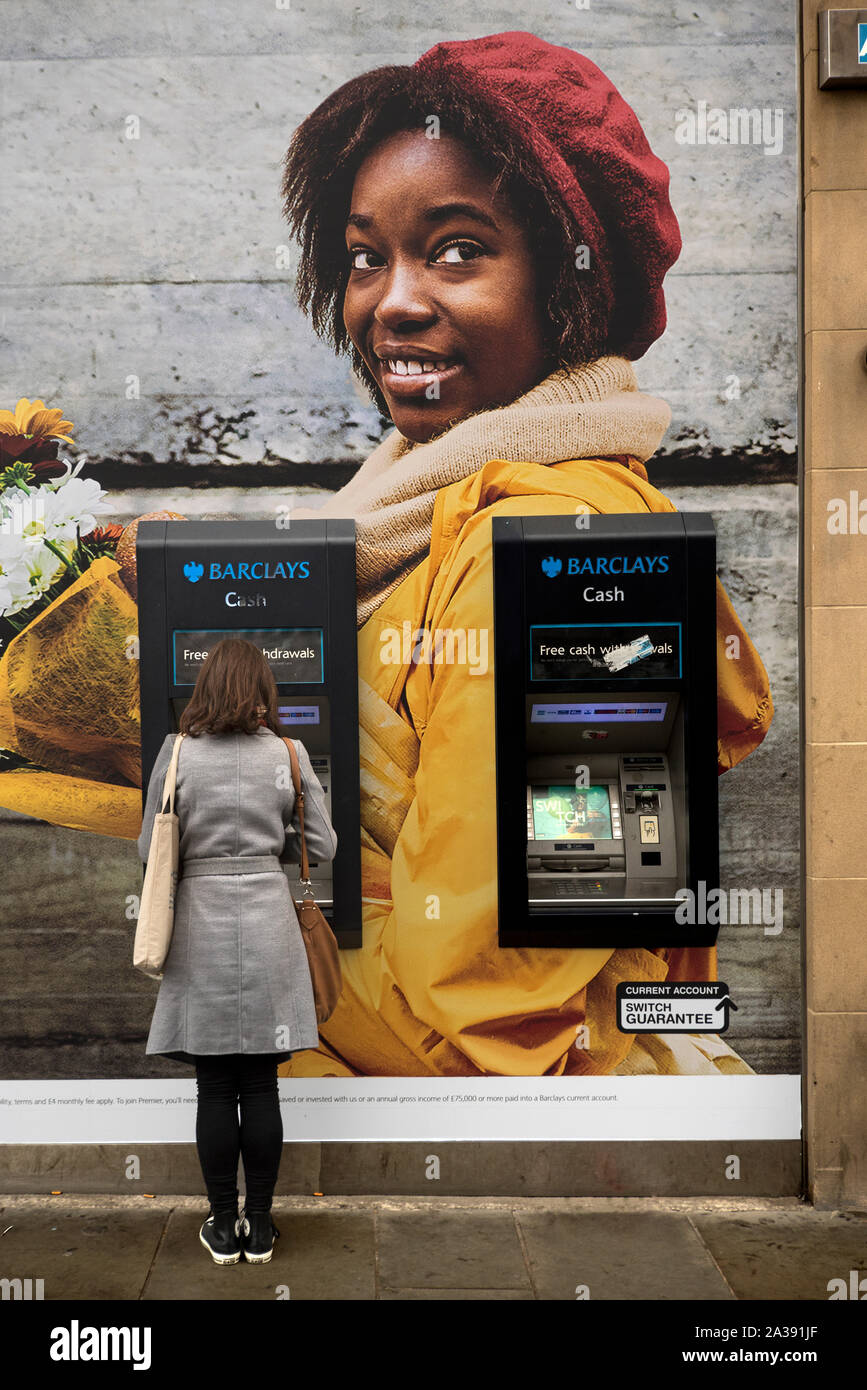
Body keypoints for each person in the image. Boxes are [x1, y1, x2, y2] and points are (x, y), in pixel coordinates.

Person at [277, 31, 774, 1082]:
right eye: (368, 255)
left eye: (457, 249)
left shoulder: (573, 563)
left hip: (527, 1175)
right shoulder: (408, 508)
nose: (393, 300)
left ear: (569, 285)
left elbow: (472, 1024)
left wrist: (235, 937)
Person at [136, 637, 337, 1264]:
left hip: (199, 927)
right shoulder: (289, 751)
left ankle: (224, 1228)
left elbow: (150, 850)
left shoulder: (177, 755)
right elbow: (323, 847)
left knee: (216, 1087)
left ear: (206, 689)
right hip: (270, 924)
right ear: (261, 690)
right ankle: (263, 1226)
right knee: (262, 1085)